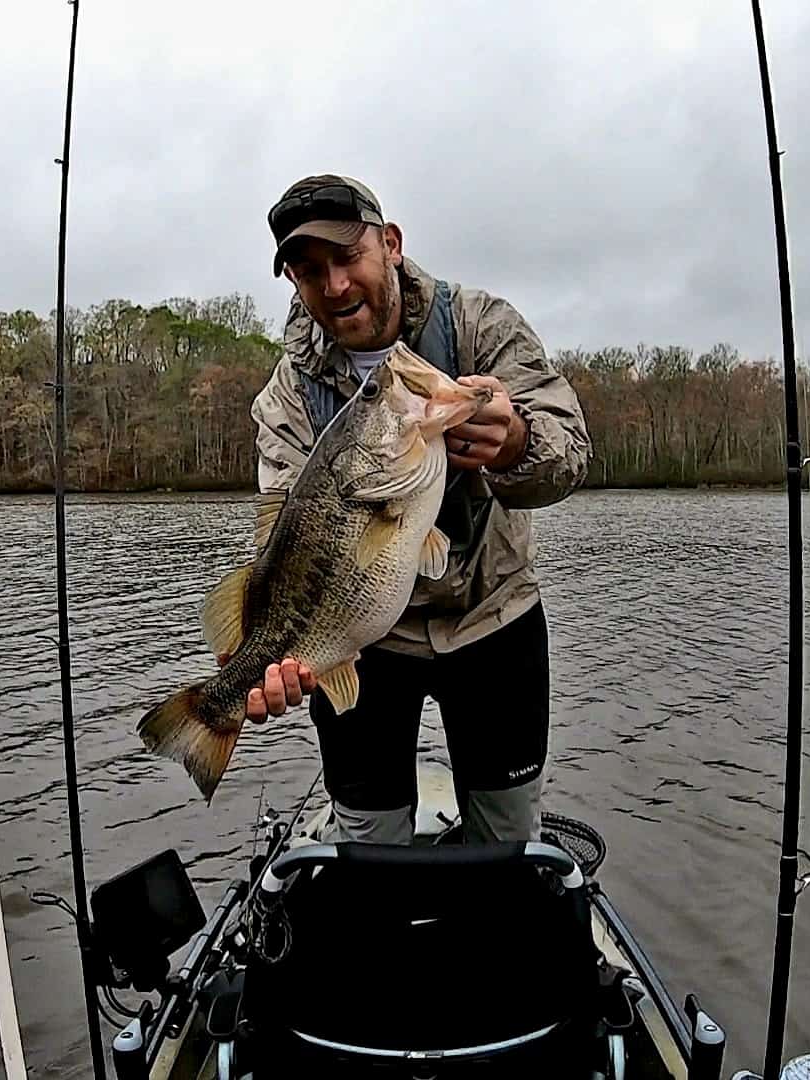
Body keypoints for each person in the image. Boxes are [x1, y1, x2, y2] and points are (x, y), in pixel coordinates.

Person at [236, 173, 590, 846]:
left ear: (390, 244)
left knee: (508, 838)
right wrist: (261, 660)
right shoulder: (287, 395)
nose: (335, 285)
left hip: (495, 619)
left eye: (348, 258)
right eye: (310, 272)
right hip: (359, 640)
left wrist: (515, 441)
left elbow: (570, 452)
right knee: (367, 838)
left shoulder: (481, 326)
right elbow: (284, 540)